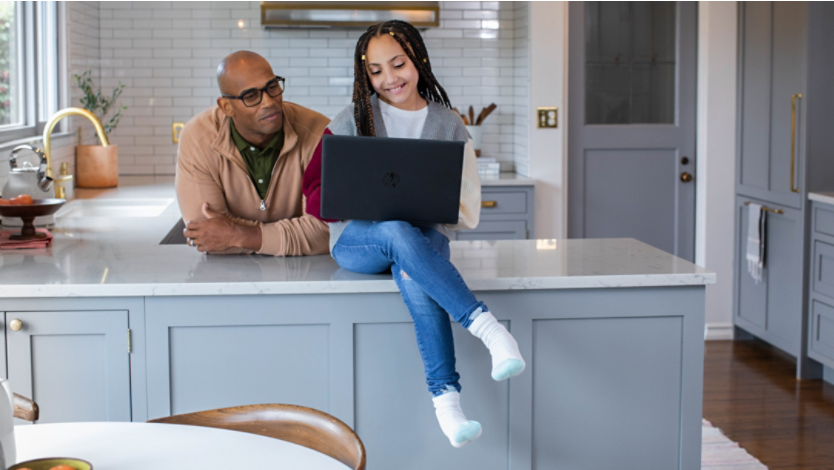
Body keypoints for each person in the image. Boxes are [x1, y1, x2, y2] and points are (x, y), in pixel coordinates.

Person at [302, 20, 525, 448]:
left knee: (413, 267)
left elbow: (467, 209)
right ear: (365, 75)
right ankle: (490, 329)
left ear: (418, 59)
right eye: (376, 70)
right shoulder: (351, 118)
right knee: (395, 229)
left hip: (422, 241)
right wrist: (349, 199)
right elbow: (312, 193)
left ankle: (447, 404)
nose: (389, 78)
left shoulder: (449, 124)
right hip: (358, 243)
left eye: (398, 64)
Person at [176, 51, 330, 256]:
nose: (268, 102)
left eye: (272, 87)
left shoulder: (319, 133)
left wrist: (236, 235)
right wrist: (292, 235)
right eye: (251, 96)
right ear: (226, 107)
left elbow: (326, 232)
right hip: (229, 277)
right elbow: (206, 233)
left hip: (307, 272)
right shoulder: (198, 138)